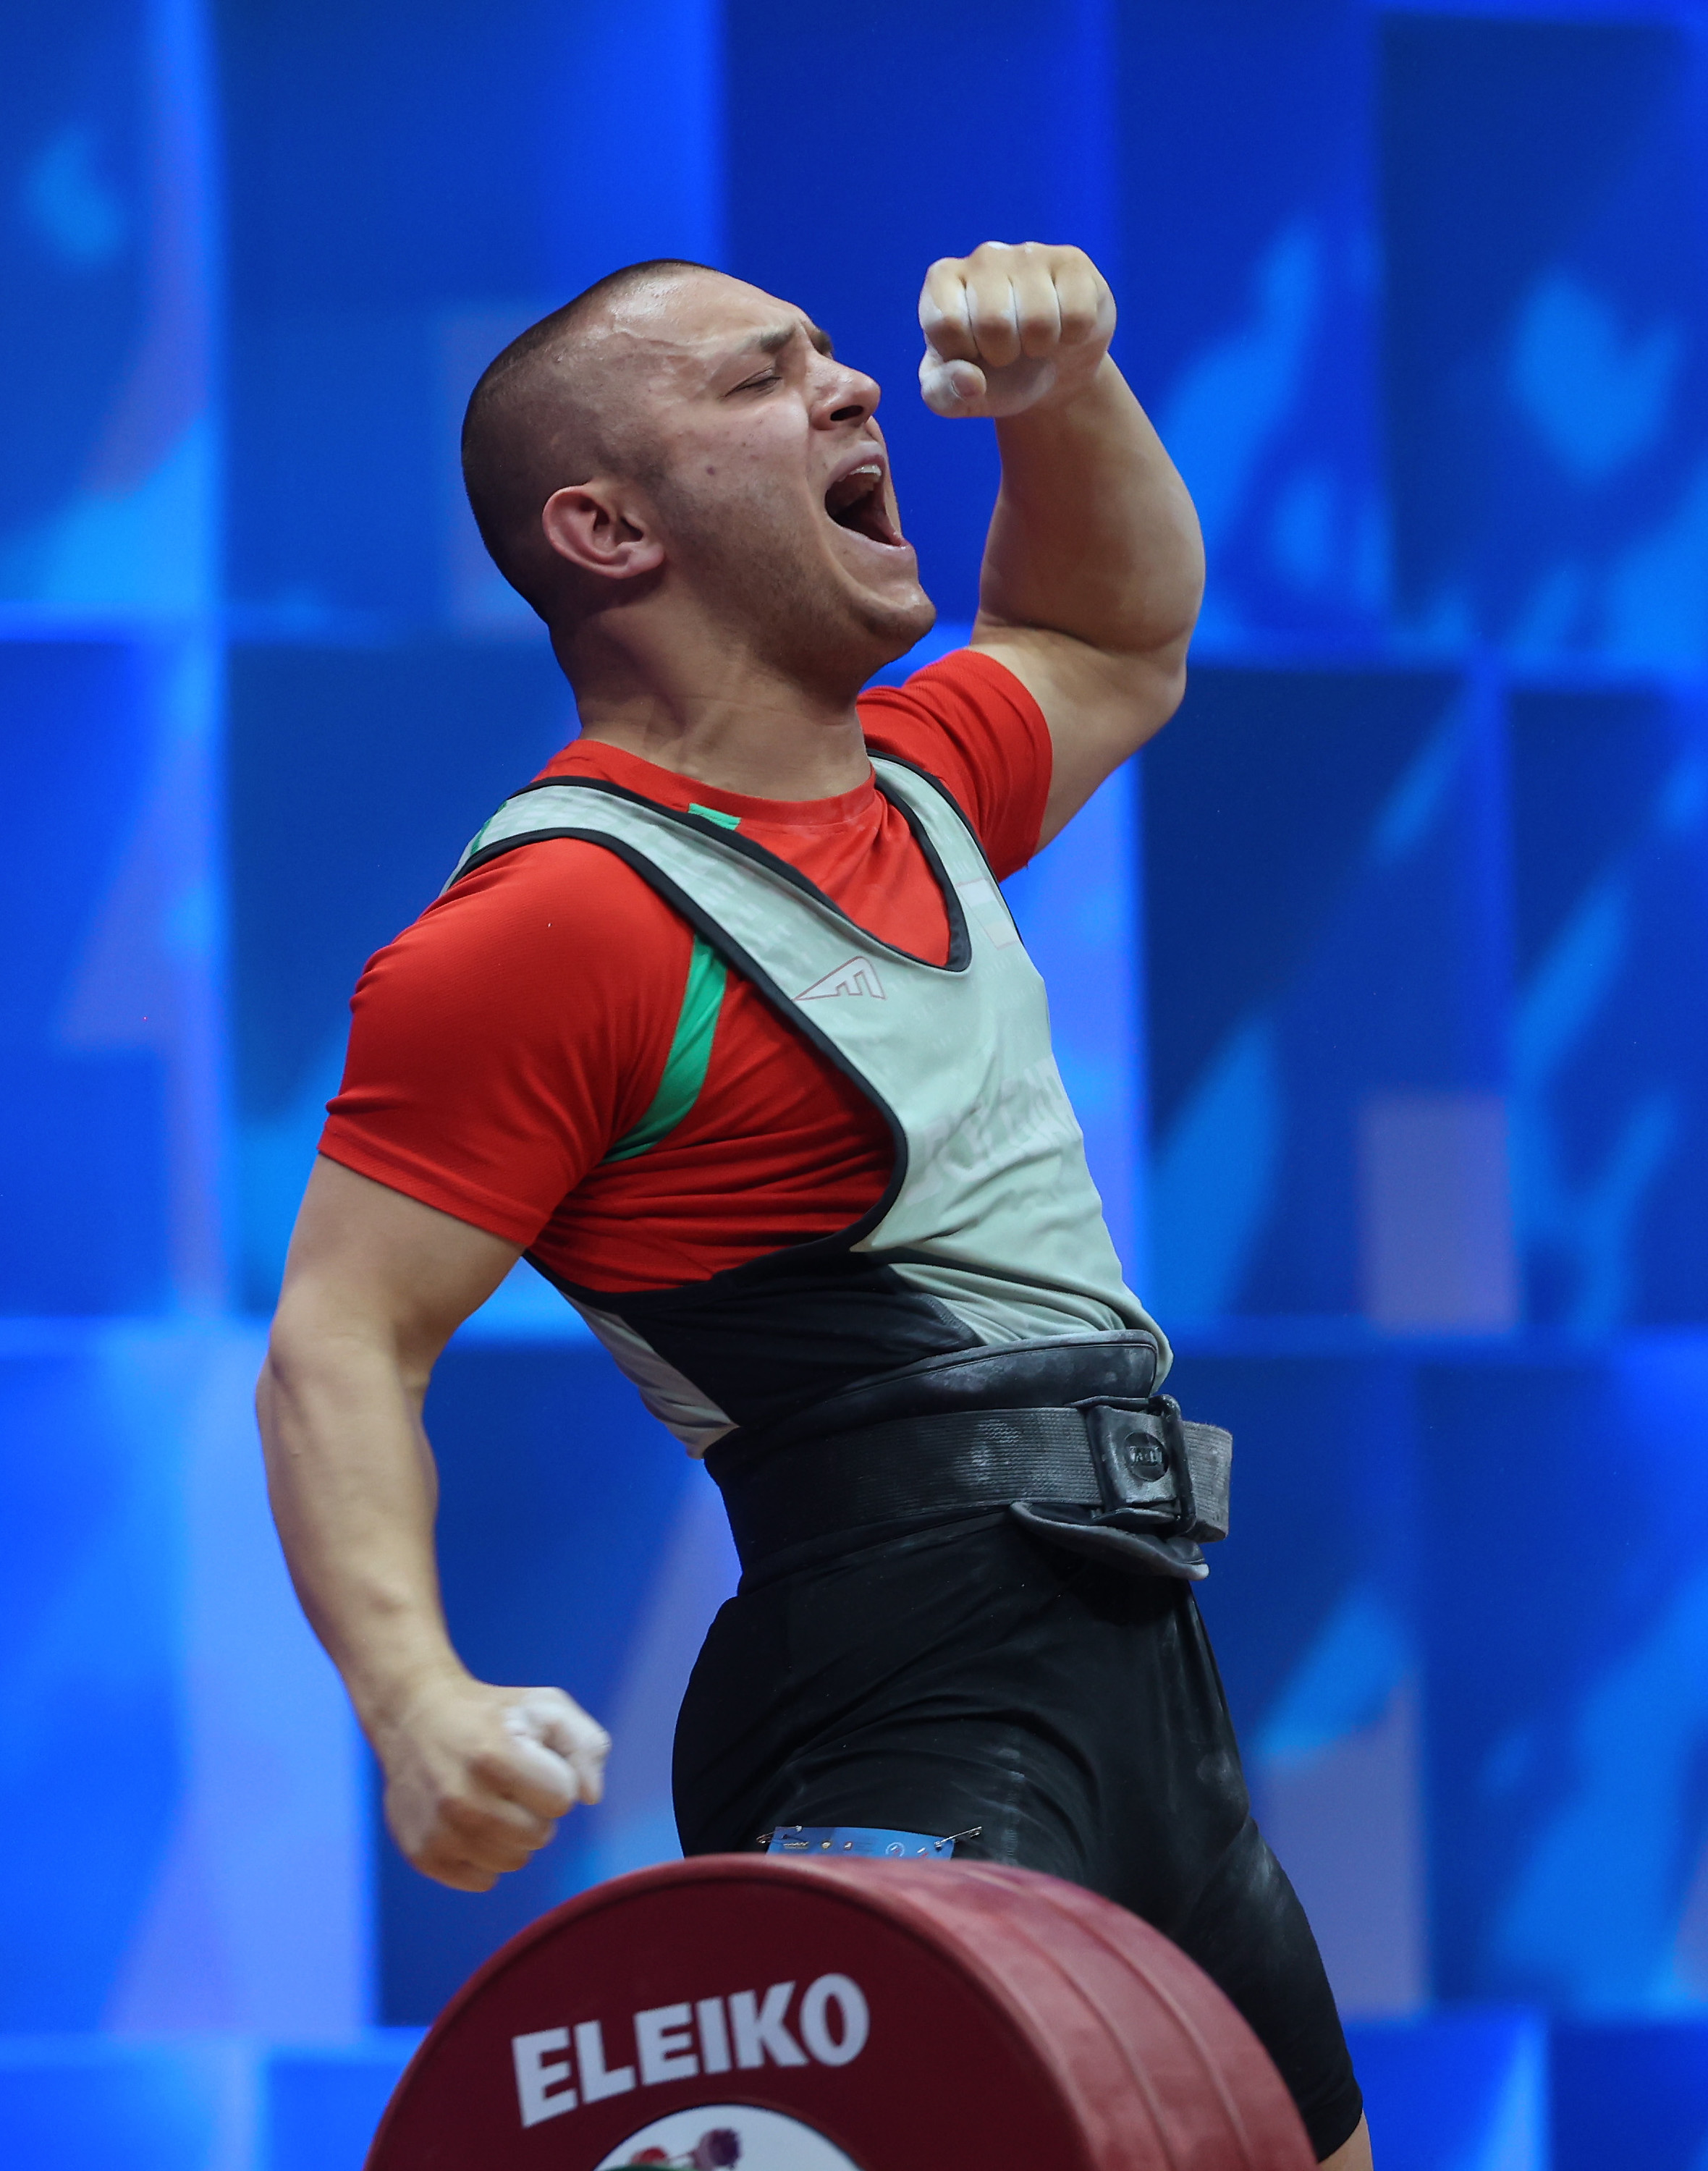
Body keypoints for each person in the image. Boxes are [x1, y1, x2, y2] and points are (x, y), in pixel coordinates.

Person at [256, 242, 1371, 2167]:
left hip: (1144, 1686)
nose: (850, 388)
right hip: (897, 1697)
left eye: (835, 357)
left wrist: (1069, 387)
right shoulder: (552, 926)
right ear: (608, 528)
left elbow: (1110, 639)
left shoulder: (918, 794)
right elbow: (340, 1341)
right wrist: (415, 1699)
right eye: (760, 378)